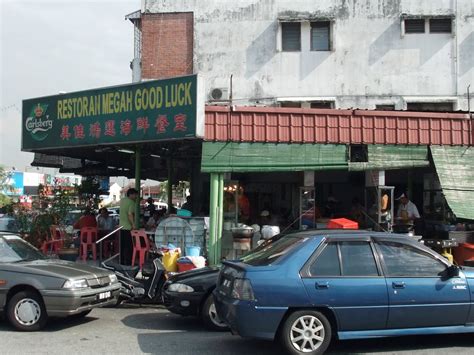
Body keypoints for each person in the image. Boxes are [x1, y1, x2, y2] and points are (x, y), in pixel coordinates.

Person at [119, 188, 138, 265]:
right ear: (131, 194)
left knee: (122, 246)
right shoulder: (131, 202)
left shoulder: (122, 200)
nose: (136, 196)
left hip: (121, 227)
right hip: (128, 227)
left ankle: (121, 261)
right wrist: (133, 224)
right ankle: (128, 262)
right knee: (129, 246)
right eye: (135, 195)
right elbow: (130, 214)